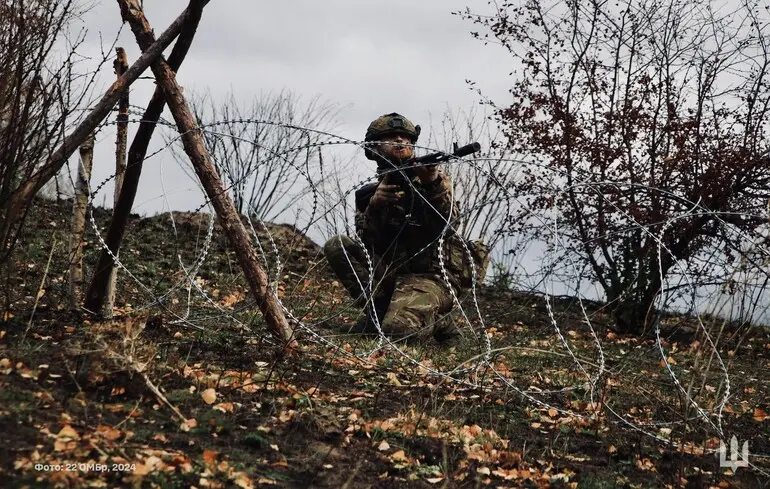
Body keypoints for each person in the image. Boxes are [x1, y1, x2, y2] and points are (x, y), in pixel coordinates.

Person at [323, 112, 485, 343]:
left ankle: (438, 320)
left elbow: (448, 225)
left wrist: (432, 185)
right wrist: (375, 207)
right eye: (391, 137)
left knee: (398, 333)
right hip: (393, 273)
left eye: (405, 138)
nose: (400, 141)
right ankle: (378, 315)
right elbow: (368, 241)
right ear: (374, 149)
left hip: (432, 277)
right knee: (338, 246)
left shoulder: (434, 180)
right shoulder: (373, 192)